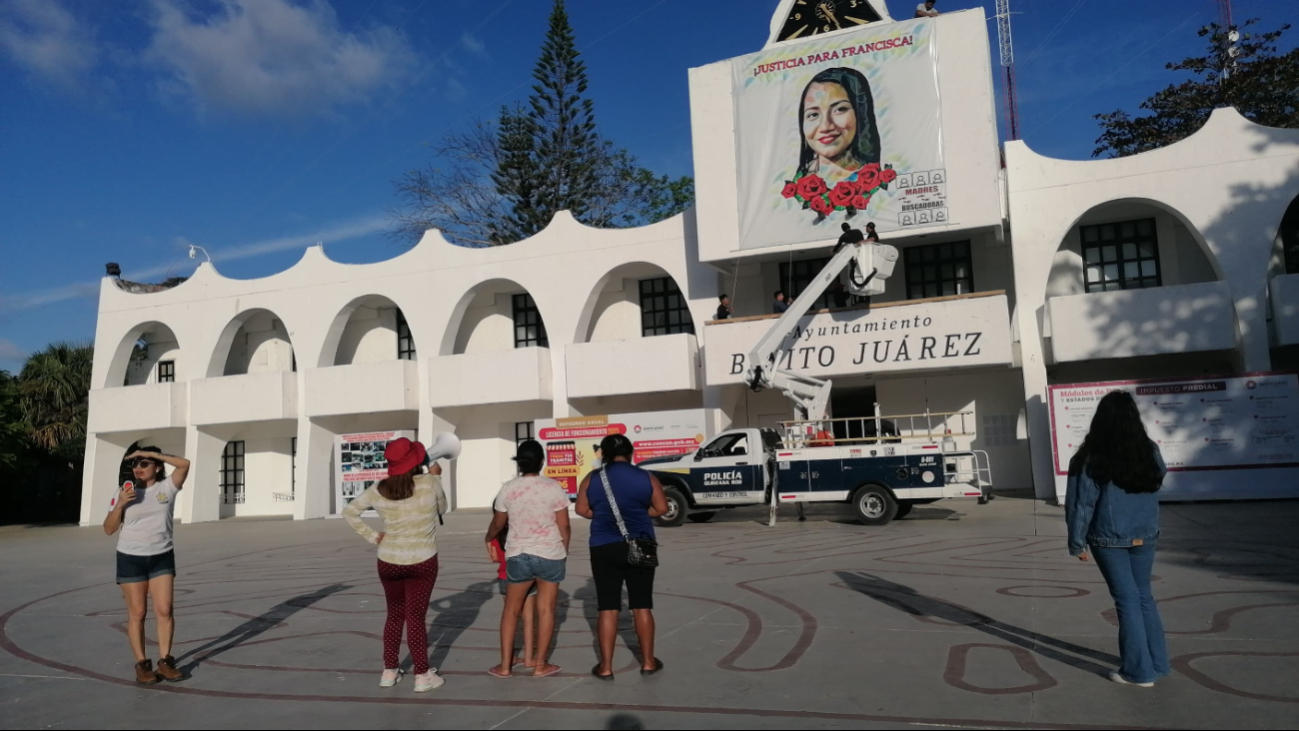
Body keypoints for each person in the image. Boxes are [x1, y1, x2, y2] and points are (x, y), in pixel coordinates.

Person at [1065, 391, 1169, 688]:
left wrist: (1077, 543)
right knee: (1144, 597)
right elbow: (1160, 475)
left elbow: (1081, 504)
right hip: (1145, 534)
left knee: (1127, 601)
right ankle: (1158, 664)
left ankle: (1138, 672)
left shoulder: (1089, 457)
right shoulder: (1148, 449)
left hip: (1108, 538)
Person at [344, 437, 449, 692]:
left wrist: (373, 536)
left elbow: (350, 511)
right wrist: (437, 477)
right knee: (415, 618)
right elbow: (443, 509)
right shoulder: (430, 483)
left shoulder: (379, 488)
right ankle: (423, 676)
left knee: (394, 615)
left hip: (389, 561)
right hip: (423, 560)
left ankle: (389, 671)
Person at [575, 433, 669, 680]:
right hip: (641, 542)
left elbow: (581, 509)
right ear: (631, 453)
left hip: (603, 546)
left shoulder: (593, 478)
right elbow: (662, 508)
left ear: (604, 454)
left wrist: (604, 515)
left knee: (608, 607)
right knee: (642, 605)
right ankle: (648, 662)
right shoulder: (646, 477)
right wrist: (637, 512)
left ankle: (605, 667)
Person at [484, 439, 571, 678]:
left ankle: (504, 667)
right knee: (546, 611)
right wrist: (563, 551)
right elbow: (564, 524)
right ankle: (540, 665)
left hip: (518, 556)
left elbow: (498, 523)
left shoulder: (508, 489)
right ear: (542, 461)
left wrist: (488, 537)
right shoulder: (553, 487)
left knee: (511, 611)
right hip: (550, 553)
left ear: (519, 464)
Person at [103, 446, 191, 684]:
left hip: (161, 556)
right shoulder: (125, 492)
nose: (138, 468)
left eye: (144, 463)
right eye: (135, 464)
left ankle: (165, 661)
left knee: (164, 609)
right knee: (138, 613)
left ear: (157, 467)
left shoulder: (168, 487)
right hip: (131, 558)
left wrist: (155, 454)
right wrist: (120, 504)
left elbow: (184, 464)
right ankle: (142, 664)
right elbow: (109, 529)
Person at [796, 67, 881, 185]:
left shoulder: (880, 186)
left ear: (860, 113)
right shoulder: (796, 185)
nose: (825, 126)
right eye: (813, 114)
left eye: (840, 109)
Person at [489, 524, 539, 671]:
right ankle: (529, 659)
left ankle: (508, 659)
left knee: (510, 616)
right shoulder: (522, 530)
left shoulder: (495, 535)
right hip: (527, 575)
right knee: (529, 618)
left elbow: (495, 557)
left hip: (505, 577)